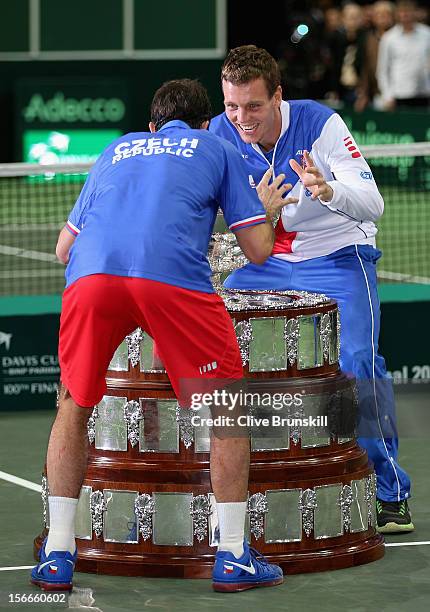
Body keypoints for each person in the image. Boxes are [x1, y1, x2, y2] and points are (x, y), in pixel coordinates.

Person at [30, 79, 293, 593]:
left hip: (91, 278)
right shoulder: (216, 146)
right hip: (170, 278)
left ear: (152, 127)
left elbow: (64, 249)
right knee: (227, 410)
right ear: (204, 123)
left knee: (73, 405)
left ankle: (58, 554)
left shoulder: (116, 147)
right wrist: (267, 209)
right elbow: (259, 250)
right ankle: (234, 554)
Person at [209, 45, 413, 534]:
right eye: (232, 106)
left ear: (278, 96)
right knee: (216, 352)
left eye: (254, 106)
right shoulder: (219, 133)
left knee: (357, 364)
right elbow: (206, 212)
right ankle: (233, 486)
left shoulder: (321, 124)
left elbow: (374, 203)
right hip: (265, 262)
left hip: (338, 256)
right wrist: (252, 215)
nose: (242, 118)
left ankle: (390, 490)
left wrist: (328, 191)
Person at [377, 0, 430, 110]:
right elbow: (382, 70)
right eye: (402, 11)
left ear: (415, 12)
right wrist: (387, 96)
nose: (405, 15)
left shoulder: (427, 34)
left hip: (424, 93)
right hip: (399, 94)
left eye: (408, 11)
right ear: (397, 14)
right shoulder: (389, 38)